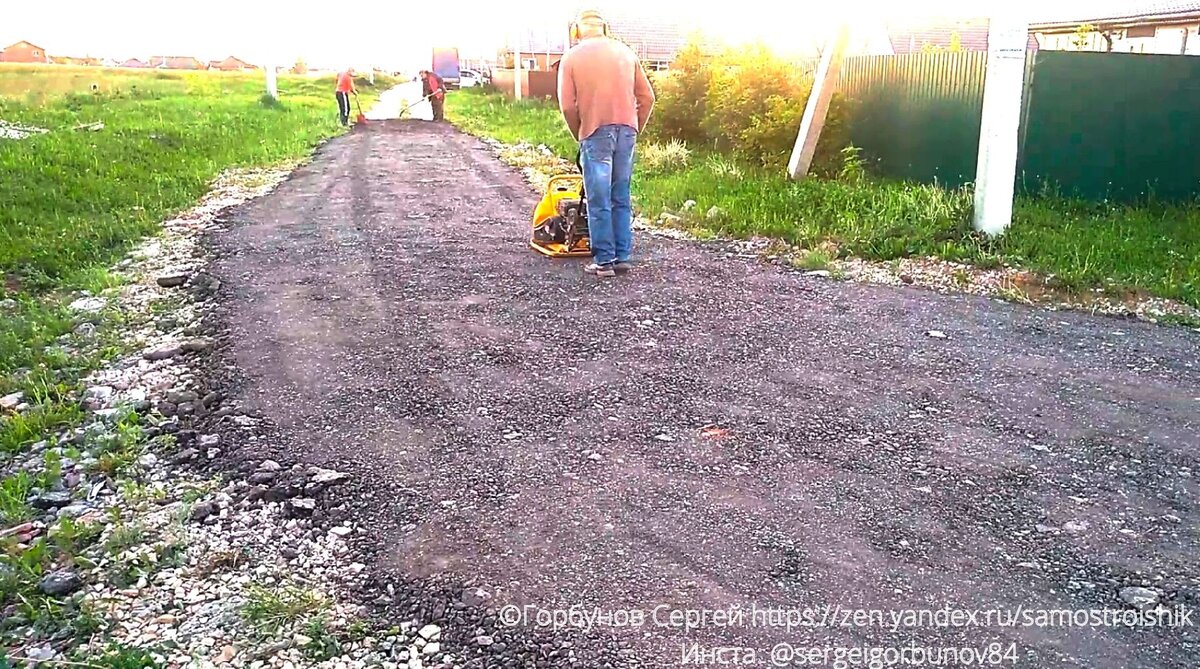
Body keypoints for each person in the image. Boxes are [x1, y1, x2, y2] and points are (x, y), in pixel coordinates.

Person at [557, 9, 655, 278]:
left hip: (595, 130)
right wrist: (635, 127)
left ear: (576, 31)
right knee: (620, 195)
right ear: (605, 29)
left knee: (598, 198)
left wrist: (580, 132)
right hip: (627, 131)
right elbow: (648, 98)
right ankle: (622, 257)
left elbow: (567, 105)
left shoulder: (572, 57)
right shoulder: (626, 53)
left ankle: (604, 261)